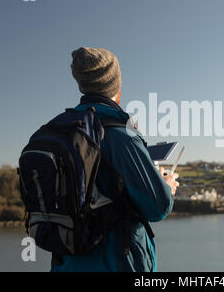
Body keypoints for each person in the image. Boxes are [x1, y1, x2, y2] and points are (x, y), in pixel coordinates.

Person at [51, 47, 179, 272]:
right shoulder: (120, 136)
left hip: (66, 264)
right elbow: (158, 207)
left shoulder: (60, 131)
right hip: (114, 263)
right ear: (116, 85)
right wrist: (166, 186)